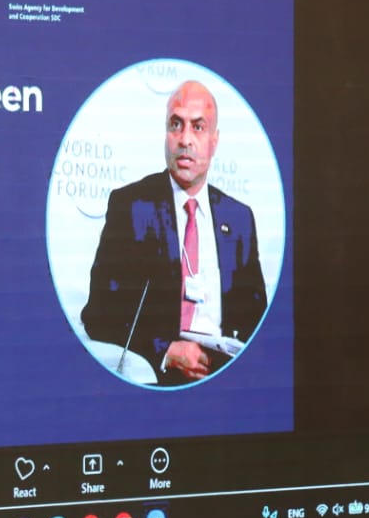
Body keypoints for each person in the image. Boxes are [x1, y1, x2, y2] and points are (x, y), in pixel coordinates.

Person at [80, 80, 267, 386]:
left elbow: (259, 323)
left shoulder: (239, 218)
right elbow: (97, 315)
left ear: (214, 141)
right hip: (158, 379)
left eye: (198, 127)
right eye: (176, 125)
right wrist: (166, 351)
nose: (185, 140)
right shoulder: (132, 206)